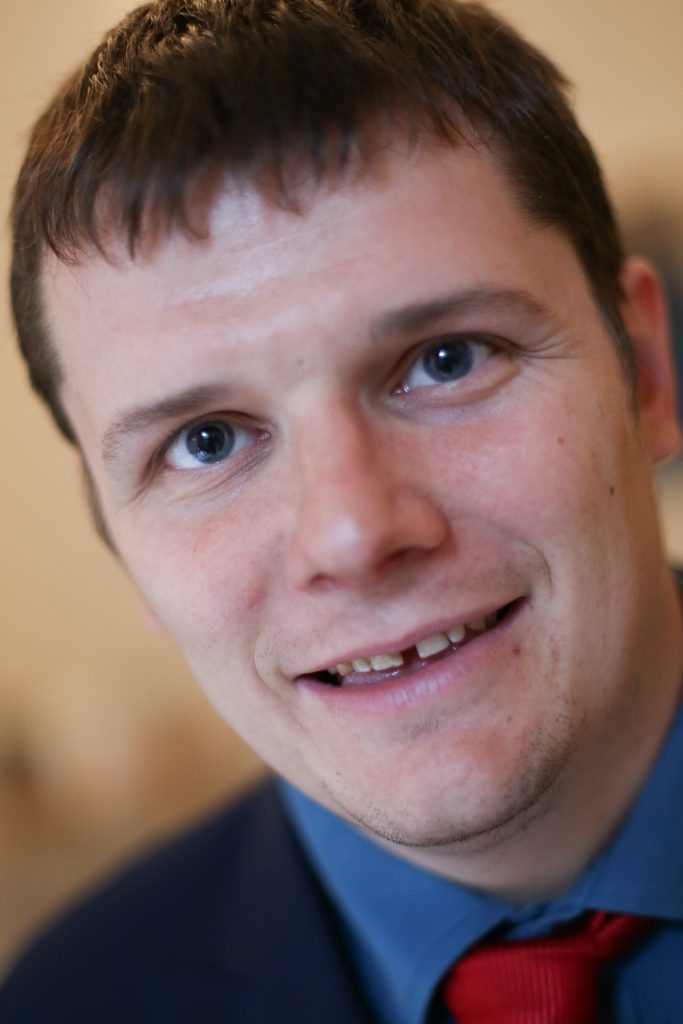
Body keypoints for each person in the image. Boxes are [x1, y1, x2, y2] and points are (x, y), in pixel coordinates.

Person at [2, 0, 682, 1020]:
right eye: (206, 441)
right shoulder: (69, 1001)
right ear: (116, 534)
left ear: (646, 370)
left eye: (445, 360)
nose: (354, 535)